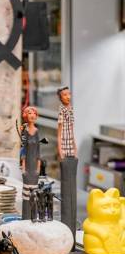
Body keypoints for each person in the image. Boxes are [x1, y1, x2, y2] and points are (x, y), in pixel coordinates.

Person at [57, 86, 78, 234]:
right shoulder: (61, 111)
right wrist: (61, 152)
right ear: (61, 97)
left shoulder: (70, 109)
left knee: (72, 186)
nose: (68, 96)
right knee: (66, 187)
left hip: (71, 146)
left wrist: (75, 149)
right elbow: (59, 134)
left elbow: (72, 130)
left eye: (69, 93)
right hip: (64, 147)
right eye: (65, 94)